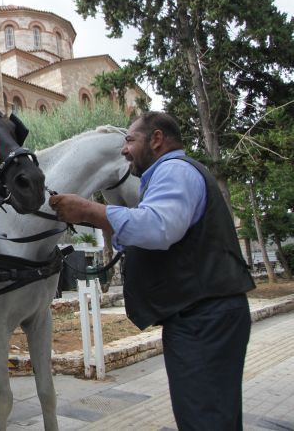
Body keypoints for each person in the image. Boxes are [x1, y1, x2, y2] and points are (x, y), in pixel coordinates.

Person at [49, 111, 256, 430]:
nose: (123, 149)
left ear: (156, 139)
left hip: (203, 319)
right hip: (200, 317)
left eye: (130, 140)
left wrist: (89, 210)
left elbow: (159, 227)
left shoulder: (173, 170)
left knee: (205, 419)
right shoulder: (170, 174)